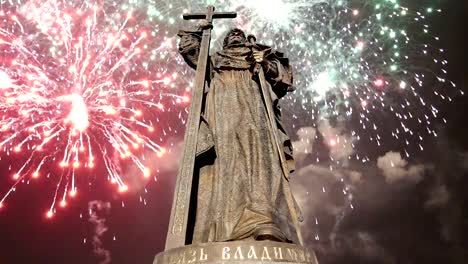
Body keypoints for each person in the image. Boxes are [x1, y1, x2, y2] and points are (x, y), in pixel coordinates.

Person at [178, 24, 300, 243]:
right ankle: (221, 226)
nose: (235, 36)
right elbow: (194, 55)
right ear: (225, 43)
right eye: (230, 35)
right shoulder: (215, 59)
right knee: (226, 163)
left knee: (260, 160)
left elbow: (283, 78)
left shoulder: (257, 56)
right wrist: (197, 35)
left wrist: (264, 63)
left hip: (254, 106)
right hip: (222, 110)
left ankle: (263, 217)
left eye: (238, 34)